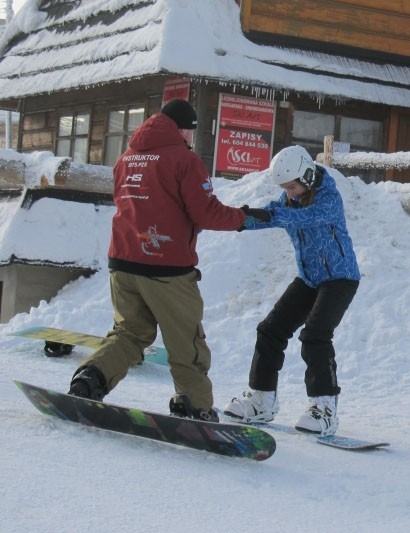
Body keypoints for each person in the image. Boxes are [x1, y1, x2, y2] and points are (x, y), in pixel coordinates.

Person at [68, 99, 270, 422]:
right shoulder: (184, 160)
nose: (191, 138)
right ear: (182, 129)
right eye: (190, 131)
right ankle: (195, 405)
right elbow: (205, 212)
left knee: (129, 333)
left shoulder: (127, 158)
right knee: (186, 342)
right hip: (166, 268)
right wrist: (243, 218)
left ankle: (90, 377)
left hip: (122, 262)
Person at [224, 145, 360, 436]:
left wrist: (270, 216)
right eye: (284, 188)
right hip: (309, 279)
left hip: (340, 279)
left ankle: (324, 409)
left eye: (291, 186)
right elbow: (272, 213)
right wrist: (234, 219)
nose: (288, 193)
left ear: (308, 177)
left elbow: (300, 217)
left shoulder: (329, 198)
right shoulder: (291, 200)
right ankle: (261, 399)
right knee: (270, 330)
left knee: (315, 336)